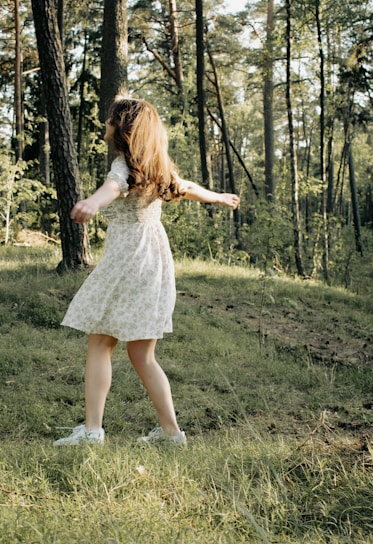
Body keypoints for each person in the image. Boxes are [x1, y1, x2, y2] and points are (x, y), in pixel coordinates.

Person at [55, 98, 240, 446]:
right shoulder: (157, 167)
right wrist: (217, 197)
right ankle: (172, 434)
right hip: (155, 262)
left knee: (100, 341)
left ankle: (92, 432)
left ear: (122, 128)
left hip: (129, 260)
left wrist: (91, 203)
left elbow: (112, 188)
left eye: (110, 118)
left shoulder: (125, 165)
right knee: (142, 354)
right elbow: (185, 188)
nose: (105, 121)